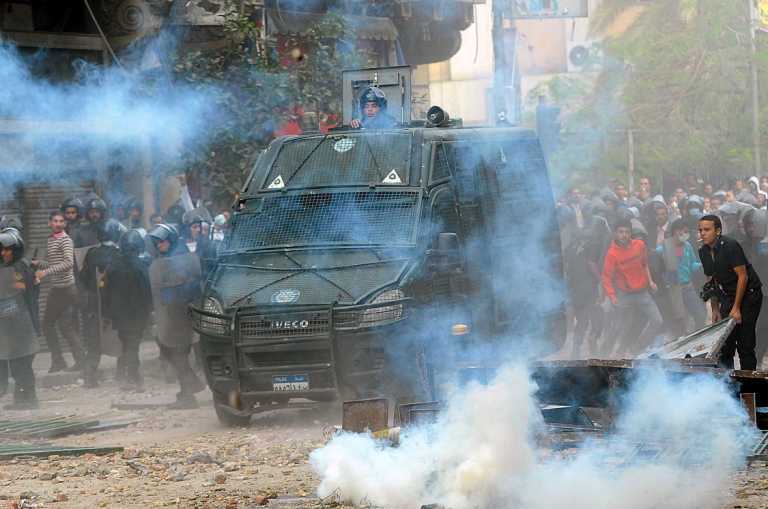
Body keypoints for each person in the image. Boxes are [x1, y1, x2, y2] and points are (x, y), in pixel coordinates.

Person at [147, 223, 205, 408]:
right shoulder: (176, 259)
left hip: (179, 315)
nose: (159, 246)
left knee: (177, 354)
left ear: (171, 241)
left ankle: (189, 395)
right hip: (173, 314)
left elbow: (192, 287)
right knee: (173, 353)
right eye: (157, 243)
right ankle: (190, 387)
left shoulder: (182, 260)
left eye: (162, 242)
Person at [698, 214, 763, 370]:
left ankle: (749, 390)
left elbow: (743, 276)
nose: (702, 233)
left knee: (745, 344)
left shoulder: (730, 246)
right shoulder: (703, 251)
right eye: (700, 230)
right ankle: (726, 388)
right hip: (727, 295)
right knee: (725, 344)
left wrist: (736, 308)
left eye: (707, 230)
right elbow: (711, 280)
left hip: (749, 294)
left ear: (718, 231)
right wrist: (715, 308)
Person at [33, 211, 85, 373]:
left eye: (61, 221)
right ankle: (65, 361)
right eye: (55, 221)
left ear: (65, 224)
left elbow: (69, 263)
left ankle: (67, 361)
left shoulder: (65, 240)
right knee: (57, 326)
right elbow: (53, 263)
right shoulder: (50, 240)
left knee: (58, 326)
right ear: (49, 223)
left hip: (67, 290)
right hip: (58, 289)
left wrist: (46, 272)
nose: (58, 223)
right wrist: (39, 264)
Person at [601, 218, 663, 357]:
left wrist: (651, 281)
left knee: (657, 321)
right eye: (621, 232)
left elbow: (644, 264)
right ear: (615, 234)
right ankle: (604, 354)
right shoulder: (612, 254)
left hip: (642, 293)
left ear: (631, 233)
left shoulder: (639, 245)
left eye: (627, 232)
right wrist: (612, 297)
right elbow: (606, 278)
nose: (624, 235)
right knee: (618, 327)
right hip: (624, 295)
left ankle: (636, 349)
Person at [104, 229, 153, 391]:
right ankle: (134, 378)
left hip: (120, 315)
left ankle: (131, 377)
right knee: (132, 345)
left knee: (127, 344)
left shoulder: (113, 265)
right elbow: (147, 292)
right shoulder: (140, 266)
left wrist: (107, 314)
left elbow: (106, 292)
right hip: (137, 314)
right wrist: (150, 311)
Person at [78, 219, 125, 387]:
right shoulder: (120, 254)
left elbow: (82, 278)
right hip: (115, 303)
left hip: (93, 304)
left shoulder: (91, 253)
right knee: (121, 338)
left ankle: (90, 378)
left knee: (93, 340)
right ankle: (122, 375)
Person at [0, 227, 40, 409]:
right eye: (2, 249)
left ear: (15, 250)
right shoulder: (16, 267)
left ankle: (30, 401)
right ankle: (22, 400)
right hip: (15, 324)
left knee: (21, 364)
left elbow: (18, 291)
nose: (3, 253)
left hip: (20, 323)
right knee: (19, 364)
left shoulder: (18, 268)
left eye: (7, 249)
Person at [656, 219, 707, 338]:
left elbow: (692, 264)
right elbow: (657, 267)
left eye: (686, 232)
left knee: (700, 314)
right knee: (680, 319)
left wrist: (703, 265)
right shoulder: (664, 248)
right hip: (673, 289)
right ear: (674, 232)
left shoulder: (687, 246)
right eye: (681, 231)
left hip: (687, 286)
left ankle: (696, 337)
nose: (684, 234)